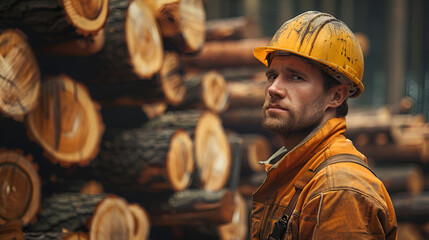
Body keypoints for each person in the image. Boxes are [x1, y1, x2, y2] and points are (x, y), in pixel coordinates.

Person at [250, 11, 398, 239]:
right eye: (272, 76)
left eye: (295, 77)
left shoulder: (339, 189)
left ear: (336, 96)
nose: (273, 88)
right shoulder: (296, 170)